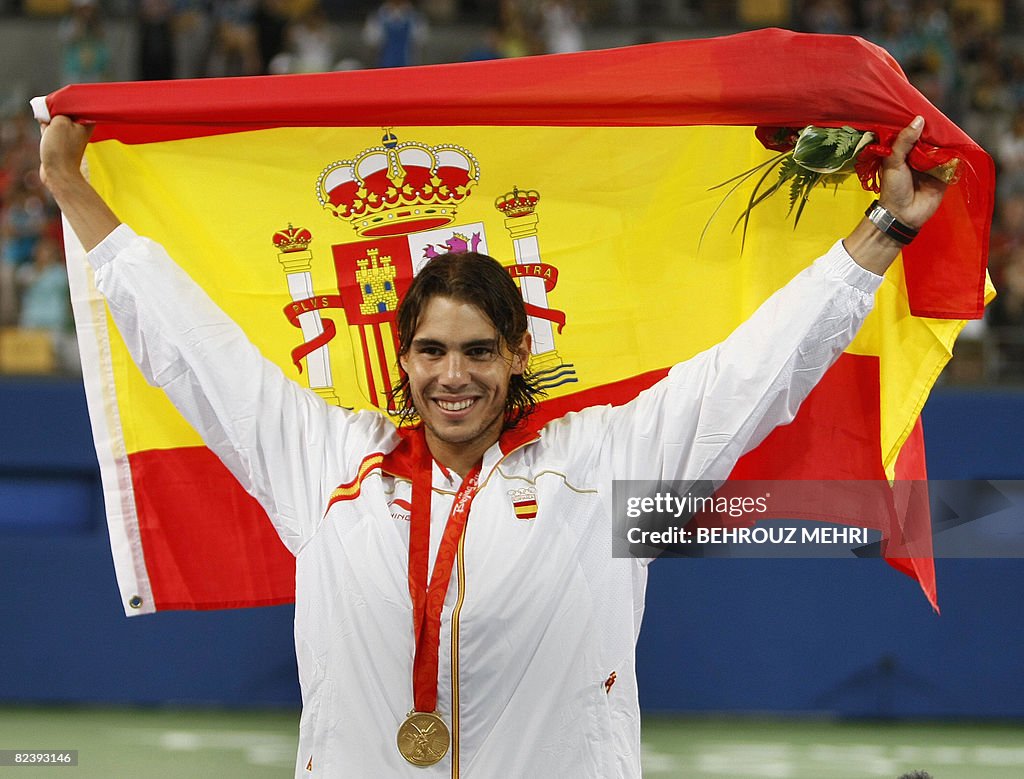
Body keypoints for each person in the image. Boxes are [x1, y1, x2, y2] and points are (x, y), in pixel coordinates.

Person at [38, 113, 945, 777]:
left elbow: (754, 373)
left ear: (518, 354)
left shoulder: (603, 467)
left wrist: (886, 230)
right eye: (431, 350)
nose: (453, 375)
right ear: (402, 358)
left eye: (478, 350)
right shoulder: (325, 465)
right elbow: (196, 353)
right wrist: (74, 189)